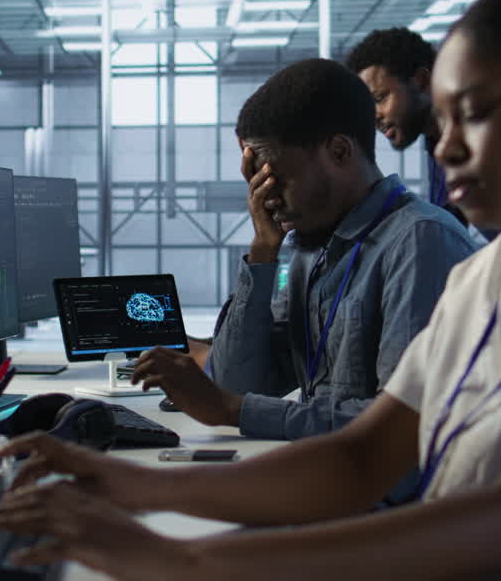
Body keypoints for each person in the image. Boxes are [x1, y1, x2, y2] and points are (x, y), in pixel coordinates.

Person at [0, 0, 501, 579]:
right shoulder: (495, 273)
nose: (444, 148)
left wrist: (182, 558)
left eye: (476, 112)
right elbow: (362, 457)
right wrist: (123, 483)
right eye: (443, 119)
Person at [128, 58, 478, 447]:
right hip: (324, 469)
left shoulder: (419, 243)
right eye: (257, 180)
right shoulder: (310, 251)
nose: (264, 197)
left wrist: (232, 410)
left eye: (276, 177)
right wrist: (262, 253)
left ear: (340, 151)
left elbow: (400, 431)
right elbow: (234, 383)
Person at [348, 27, 479, 231]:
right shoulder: (434, 144)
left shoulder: (478, 137)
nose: (374, 116)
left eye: (380, 98)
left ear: (421, 81)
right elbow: (450, 225)